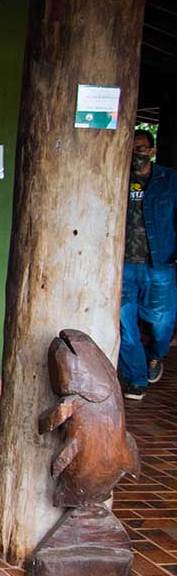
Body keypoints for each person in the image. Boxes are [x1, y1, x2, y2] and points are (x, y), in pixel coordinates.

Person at [118, 129, 177, 400]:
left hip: (159, 264)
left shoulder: (170, 180)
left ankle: (154, 357)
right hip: (122, 266)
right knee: (124, 325)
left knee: (162, 324)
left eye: (141, 149)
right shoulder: (117, 177)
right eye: (131, 149)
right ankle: (136, 378)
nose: (135, 154)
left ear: (152, 151)